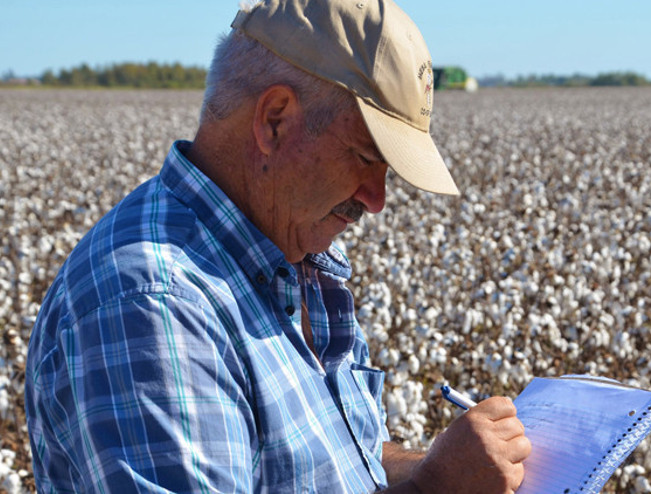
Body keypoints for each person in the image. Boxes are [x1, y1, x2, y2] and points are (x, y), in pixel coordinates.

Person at [25, 0, 531, 492]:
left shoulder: (294, 260)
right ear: (274, 119)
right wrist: (437, 487)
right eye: (364, 157)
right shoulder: (155, 309)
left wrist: (455, 468)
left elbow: (338, 459)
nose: (376, 200)